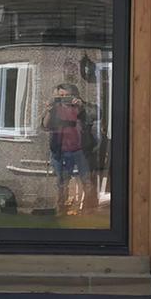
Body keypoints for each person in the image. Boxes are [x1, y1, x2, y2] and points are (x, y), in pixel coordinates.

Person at [41, 81, 96, 216]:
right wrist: (48, 110)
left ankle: (88, 210)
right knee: (62, 183)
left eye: (67, 96)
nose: (64, 98)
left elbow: (94, 116)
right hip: (60, 151)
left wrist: (81, 107)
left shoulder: (80, 107)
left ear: (74, 95)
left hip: (80, 150)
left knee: (87, 181)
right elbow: (45, 126)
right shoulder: (54, 109)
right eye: (61, 96)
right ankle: (61, 211)